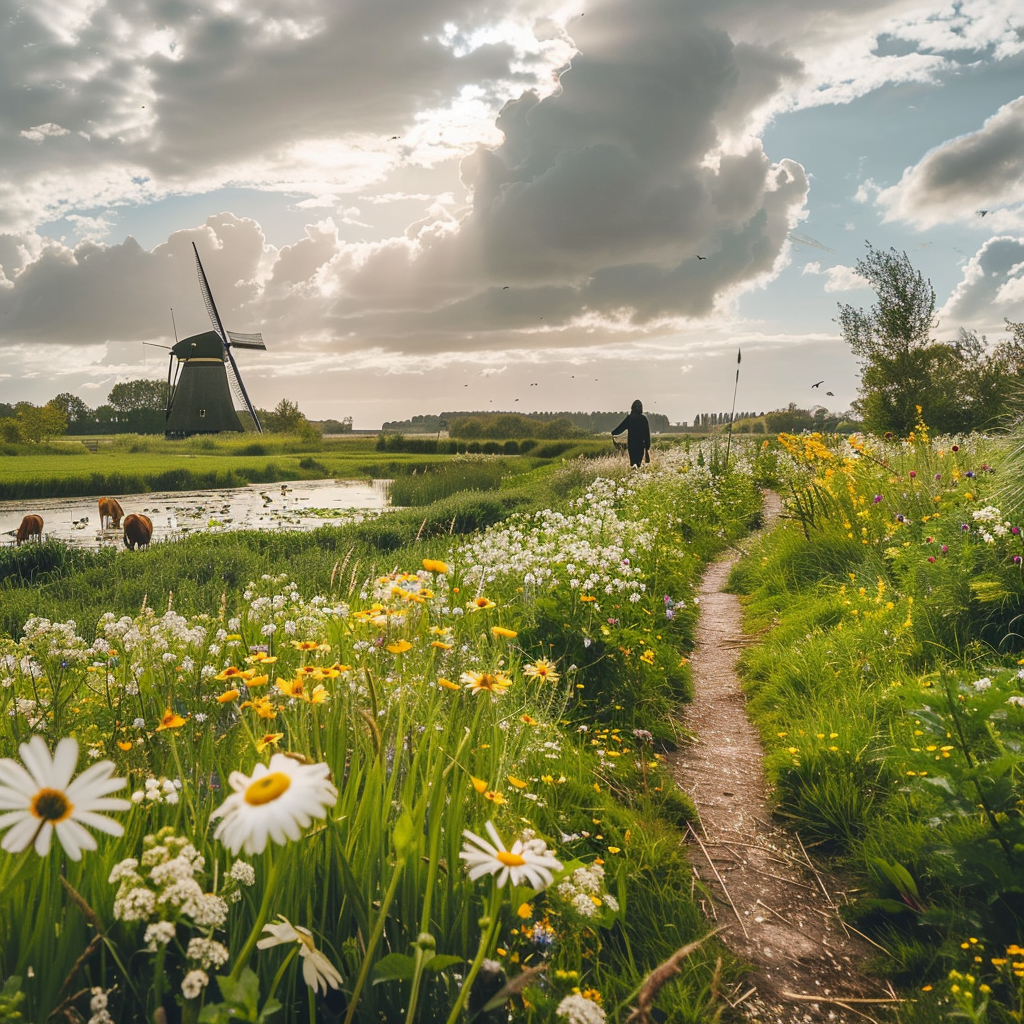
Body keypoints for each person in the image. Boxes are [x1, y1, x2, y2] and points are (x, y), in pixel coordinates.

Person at [611, 399, 651, 468]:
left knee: (633, 462)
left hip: (631, 444)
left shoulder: (630, 418)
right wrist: (647, 447)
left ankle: (633, 472)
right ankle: (637, 474)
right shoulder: (644, 419)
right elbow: (647, 434)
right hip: (640, 444)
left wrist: (613, 433)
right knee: (638, 463)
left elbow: (621, 427)